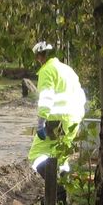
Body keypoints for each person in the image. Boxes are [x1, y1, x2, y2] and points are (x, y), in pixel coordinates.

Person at [27, 41, 87, 178]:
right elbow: (80, 94)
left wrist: (41, 122)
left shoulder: (47, 70)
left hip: (56, 121)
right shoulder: (67, 69)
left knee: (36, 155)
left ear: (39, 57)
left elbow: (46, 98)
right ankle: (61, 194)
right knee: (61, 156)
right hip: (73, 119)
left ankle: (55, 190)